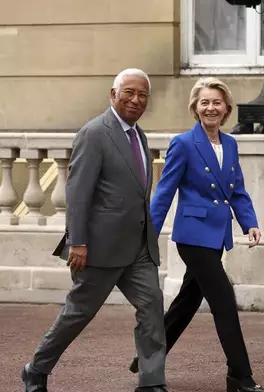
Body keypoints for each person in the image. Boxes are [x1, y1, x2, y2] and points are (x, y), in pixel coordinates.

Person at [21, 68, 168, 392]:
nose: (136, 99)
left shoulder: (138, 135)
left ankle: (152, 382)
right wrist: (78, 241)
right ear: (113, 95)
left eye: (142, 94)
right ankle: (36, 369)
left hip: (138, 247)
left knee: (152, 306)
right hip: (98, 248)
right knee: (78, 314)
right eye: (129, 92)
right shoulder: (94, 133)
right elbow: (77, 191)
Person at [134, 77, 264, 392]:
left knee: (186, 302)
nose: (210, 108)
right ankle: (240, 377)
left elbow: (237, 191)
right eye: (204, 102)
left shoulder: (231, 144)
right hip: (193, 237)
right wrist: (148, 235)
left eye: (216, 102)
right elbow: (164, 192)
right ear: (195, 108)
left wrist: (249, 222)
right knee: (224, 301)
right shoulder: (183, 143)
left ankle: (146, 358)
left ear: (226, 108)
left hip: (217, 235)